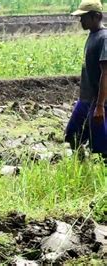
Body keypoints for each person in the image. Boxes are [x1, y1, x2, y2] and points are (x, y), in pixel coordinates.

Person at [65, 0, 107, 160]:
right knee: (72, 135)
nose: (80, 20)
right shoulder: (92, 36)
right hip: (86, 99)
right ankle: (83, 168)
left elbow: (105, 74)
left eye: (83, 17)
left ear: (96, 16)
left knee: (103, 146)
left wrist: (100, 106)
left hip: (99, 102)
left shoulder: (104, 38)